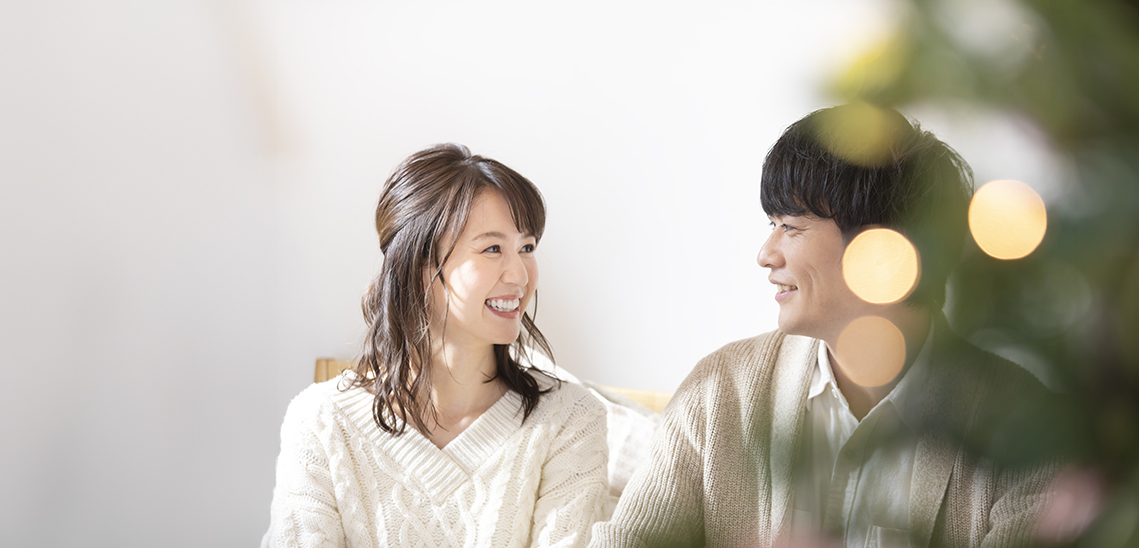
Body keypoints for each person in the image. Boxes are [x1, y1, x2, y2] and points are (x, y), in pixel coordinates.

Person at [592, 105, 1055, 548]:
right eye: (772, 224)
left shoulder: (1023, 425)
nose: (765, 254)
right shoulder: (717, 392)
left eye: (791, 227)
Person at [263, 144, 609, 548]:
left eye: (527, 248)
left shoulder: (569, 420)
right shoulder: (321, 422)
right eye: (492, 248)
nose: (520, 275)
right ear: (418, 264)